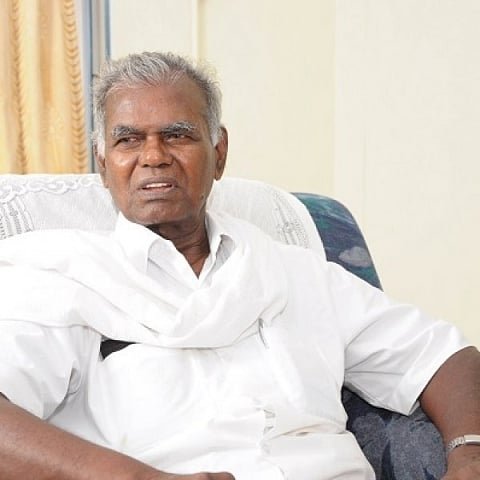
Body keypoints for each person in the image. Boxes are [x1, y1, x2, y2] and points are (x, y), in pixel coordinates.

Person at [0, 51, 478, 480]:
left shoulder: (293, 271)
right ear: (104, 165)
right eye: (128, 140)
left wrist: (469, 454)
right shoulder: (67, 280)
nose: (154, 157)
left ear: (219, 153)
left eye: (177, 135)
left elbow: (442, 355)